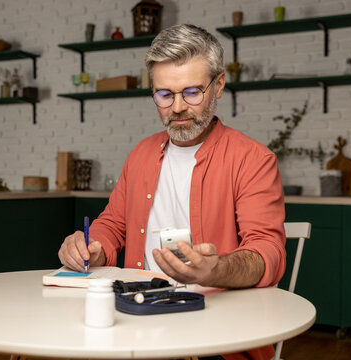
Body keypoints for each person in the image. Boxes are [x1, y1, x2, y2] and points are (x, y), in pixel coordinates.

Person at [58, 24, 286, 360]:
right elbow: (113, 224)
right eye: (164, 94)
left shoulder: (252, 159)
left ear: (219, 85)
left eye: (192, 92)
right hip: (134, 316)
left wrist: (215, 269)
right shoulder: (141, 154)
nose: (177, 107)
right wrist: (91, 246)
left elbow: (268, 252)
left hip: (216, 331)